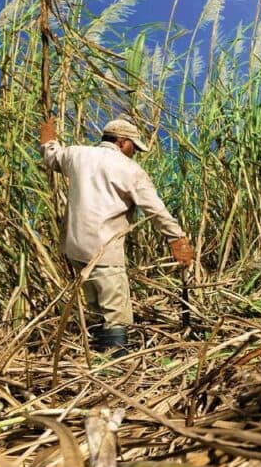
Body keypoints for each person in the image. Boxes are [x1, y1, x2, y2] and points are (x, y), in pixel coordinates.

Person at [39, 114, 194, 351]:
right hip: (104, 249)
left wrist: (48, 139)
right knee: (115, 312)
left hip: (74, 246)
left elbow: (52, 156)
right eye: (134, 147)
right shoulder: (129, 169)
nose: (134, 152)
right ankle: (114, 363)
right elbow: (155, 209)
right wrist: (176, 238)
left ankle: (97, 354)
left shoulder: (76, 154)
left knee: (94, 304)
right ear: (122, 142)